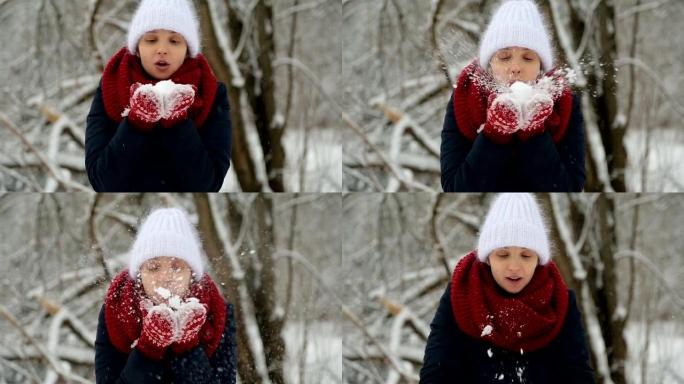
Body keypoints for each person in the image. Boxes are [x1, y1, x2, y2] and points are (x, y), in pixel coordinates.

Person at [420, 193, 594, 383]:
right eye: (503, 255)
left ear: (539, 259)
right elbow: (436, 372)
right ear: (488, 256)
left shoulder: (559, 301)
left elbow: (578, 375)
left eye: (526, 256)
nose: (514, 267)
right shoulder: (462, 294)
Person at [85, 0, 231, 192]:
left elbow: (208, 184)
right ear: (137, 47)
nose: (162, 49)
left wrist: (178, 124)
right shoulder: (110, 87)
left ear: (187, 49)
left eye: (174, 41)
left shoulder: (211, 92)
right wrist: (136, 124)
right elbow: (102, 182)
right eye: (151, 40)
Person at [440, 0, 585, 192]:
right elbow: (454, 188)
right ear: (489, 64)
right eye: (504, 57)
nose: (516, 68)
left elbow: (571, 187)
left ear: (540, 66)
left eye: (527, 58)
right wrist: (494, 134)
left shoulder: (564, 102)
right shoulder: (464, 98)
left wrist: (535, 134)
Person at [95, 207, 236, 383]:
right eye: (153, 268)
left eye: (177, 267)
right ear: (140, 273)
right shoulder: (116, 310)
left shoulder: (217, 313)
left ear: (191, 275)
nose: (165, 278)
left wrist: (187, 346)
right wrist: (149, 346)